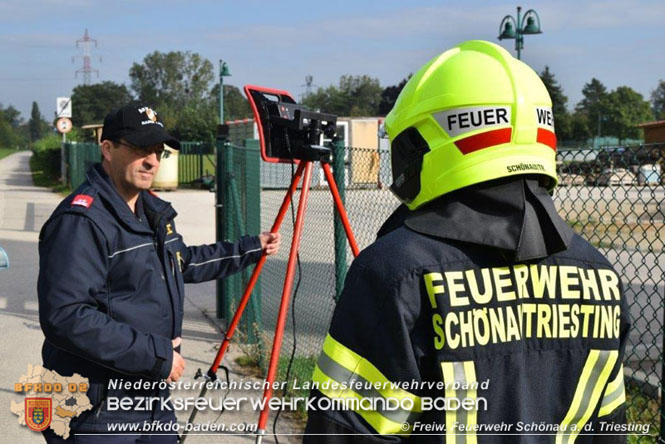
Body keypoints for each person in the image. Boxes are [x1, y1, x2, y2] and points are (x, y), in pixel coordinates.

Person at [304, 40, 630, 443]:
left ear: (422, 146)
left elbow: (343, 433)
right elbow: (608, 430)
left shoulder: (392, 275)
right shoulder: (600, 275)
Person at [38, 103, 281, 443]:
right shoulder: (81, 222)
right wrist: (157, 355)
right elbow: (66, 316)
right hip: (95, 411)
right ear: (107, 149)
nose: (152, 160)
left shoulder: (150, 212)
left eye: (157, 151)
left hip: (150, 396)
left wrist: (248, 249)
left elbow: (182, 263)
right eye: (140, 149)